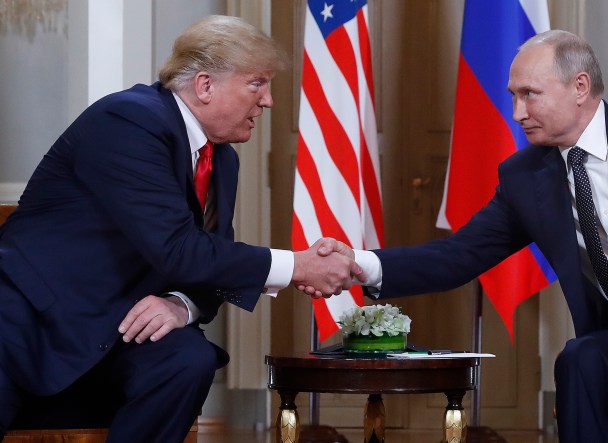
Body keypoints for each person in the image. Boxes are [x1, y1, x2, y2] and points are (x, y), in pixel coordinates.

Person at [308, 30, 608, 442]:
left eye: (530, 95)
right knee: (582, 359)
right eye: (512, 96)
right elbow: (459, 255)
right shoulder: (525, 177)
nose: (516, 113)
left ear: (580, 87)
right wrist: (358, 264)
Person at [0, 15, 361, 443]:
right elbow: (178, 248)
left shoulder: (221, 156)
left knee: (187, 357)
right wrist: (297, 266)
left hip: (117, 326)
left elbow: (211, 255)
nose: (268, 102)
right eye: (257, 84)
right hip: (30, 323)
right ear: (205, 86)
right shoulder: (128, 121)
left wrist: (181, 305)